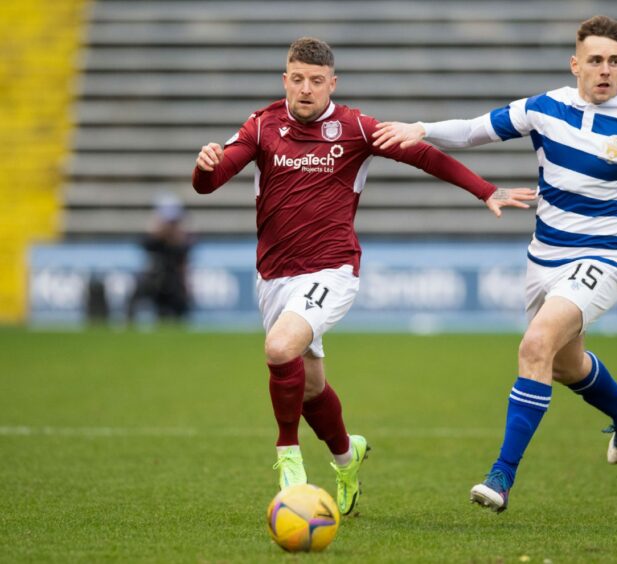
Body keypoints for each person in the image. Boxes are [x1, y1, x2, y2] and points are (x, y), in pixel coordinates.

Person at [372, 15, 617, 513]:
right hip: (543, 261)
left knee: (534, 345)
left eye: (614, 62)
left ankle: (501, 477)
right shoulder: (544, 108)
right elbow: (473, 131)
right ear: (575, 64)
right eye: (595, 60)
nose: (605, 70)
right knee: (561, 363)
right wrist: (420, 128)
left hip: (603, 260)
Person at [191, 37, 534, 516]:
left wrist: (484, 190)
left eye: (316, 81)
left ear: (332, 83)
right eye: (297, 79)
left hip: (333, 269)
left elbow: (423, 154)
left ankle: (287, 457)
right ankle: (346, 457)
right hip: (274, 277)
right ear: (284, 79)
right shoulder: (262, 124)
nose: (305, 89)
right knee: (309, 387)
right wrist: (204, 165)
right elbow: (210, 182)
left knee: (278, 348)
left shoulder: (355, 127)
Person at [126, 194, 192, 323]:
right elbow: (144, 245)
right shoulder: (152, 236)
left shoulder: (182, 238)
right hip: (153, 276)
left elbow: (184, 254)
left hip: (173, 278)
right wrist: (158, 234)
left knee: (177, 305)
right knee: (137, 294)